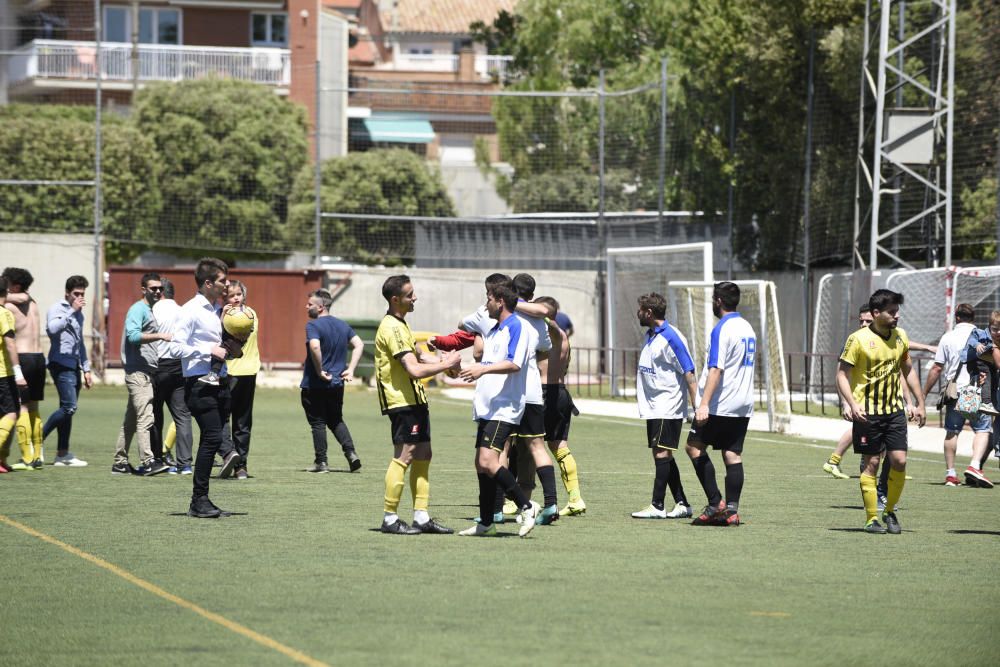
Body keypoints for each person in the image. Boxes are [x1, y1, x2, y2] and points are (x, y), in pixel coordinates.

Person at [375, 275, 461, 535]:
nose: (415, 298)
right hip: (402, 402)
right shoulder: (390, 327)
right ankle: (389, 518)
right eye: (410, 294)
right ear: (395, 299)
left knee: (424, 454)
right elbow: (413, 368)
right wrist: (444, 365)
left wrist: (447, 364)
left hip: (416, 401)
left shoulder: (402, 325)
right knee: (405, 455)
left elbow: (421, 357)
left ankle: (421, 517)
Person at [837, 289, 925, 534]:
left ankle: (890, 511)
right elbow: (841, 375)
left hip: (894, 411)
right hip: (867, 413)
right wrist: (852, 404)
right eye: (892, 312)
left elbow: (908, 370)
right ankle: (871, 518)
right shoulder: (858, 340)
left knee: (899, 461)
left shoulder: (901, 337)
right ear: (876, 314)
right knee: (872, 462)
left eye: (897, 311)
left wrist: (920, 402)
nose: (897, 316)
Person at [457, 283, 539, 537]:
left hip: (505, 407)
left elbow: (515, 363)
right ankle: (486, 523)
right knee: (481, 465)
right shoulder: (494, 330)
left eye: (489, 299)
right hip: (487, 408)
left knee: (487, 461)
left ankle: (526, 506)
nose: (486, 304)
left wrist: (482, 369)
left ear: (501, 301)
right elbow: (487, 362)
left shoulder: (518, 327)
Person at [684, 281, 756, 527]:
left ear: (717, 301)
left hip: (720, 403)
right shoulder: (747, 326)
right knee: (732, 453)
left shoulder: (722, 328)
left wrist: (703, 404)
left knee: (694, 447)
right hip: (743, 402)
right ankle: (733, 511)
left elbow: (716, 368)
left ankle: (716, 503)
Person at [174, 258, 239, 518]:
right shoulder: (190, 310)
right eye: (223, 280)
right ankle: (198, 500)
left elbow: (220, 349)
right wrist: (207, 350)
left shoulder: (217, 310)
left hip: (220, 380)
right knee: (212, 437)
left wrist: (231, 350)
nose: (227, 285)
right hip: (198, 384)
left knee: (213, 439)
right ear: (208, 283)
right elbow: (172, 347)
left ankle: (201, 500)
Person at [631, 293, 698, 520]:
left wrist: (697, 406)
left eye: (640, 310)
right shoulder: (651, 335)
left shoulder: (671, 337)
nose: (638, 313)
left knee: (661, 453)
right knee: (662, 455)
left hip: (666, 406)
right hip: (654, 407)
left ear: (649, 313)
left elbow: (688, 371)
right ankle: (682, 504)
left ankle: (657, 505)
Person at [921, 303, 995, 488]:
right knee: (982, 429)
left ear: (957, 317)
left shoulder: (947, 337)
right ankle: (975, 465)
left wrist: (923, 394)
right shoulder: (982, 335)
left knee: (952, 431)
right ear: (974, 317)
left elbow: (937, 368)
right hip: (974, 389)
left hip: (955, 390)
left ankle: (951, 474)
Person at [111, 273, 172, 476]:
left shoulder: (147, 309)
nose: (157, 291)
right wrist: (160, 335)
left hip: (143, 371)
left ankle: (120, 462)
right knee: (146, 417)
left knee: (130, 421)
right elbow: (133, 336)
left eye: (159, 288)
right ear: (143, 289)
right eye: (153, 288)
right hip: (138, 373)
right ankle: (147, 461)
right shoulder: (138, 309)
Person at [300, 288, 363, 473]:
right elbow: (359, 344)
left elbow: (314, 346)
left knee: (318, 423)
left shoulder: (313, 326)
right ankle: (351, 454)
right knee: (336, 420)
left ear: (320, 307)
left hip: (315, 384)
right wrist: (350, 369)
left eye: (310, 304)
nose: (306, 307)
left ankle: (322, 462)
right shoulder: (343, 325)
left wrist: (319, 371)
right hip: (337, 383)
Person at [535, 296, 586, 517]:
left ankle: (512, 500)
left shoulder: (552, 332)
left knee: (525, 446)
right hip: (560, 393)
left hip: (546, 394)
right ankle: (575, 499)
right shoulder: (560, 335)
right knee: (559, 447)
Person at [42, 275, 92, 466]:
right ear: (67, 293)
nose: (79, 297)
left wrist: (86, 369)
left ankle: (62, 454)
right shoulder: (59, 308)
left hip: (74, 365)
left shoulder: (80, 313)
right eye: (76, 294)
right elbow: (52, 329)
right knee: (69, 407)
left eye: (82, 294)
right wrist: (72, 311)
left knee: (68, 410)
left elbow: (79, 344)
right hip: (59, 363)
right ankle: (37, 439)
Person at [2, 268, 46, 469]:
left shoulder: (9, 306)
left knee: (22, 408)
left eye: (7, 283)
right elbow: (24, 297)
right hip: (38, 358)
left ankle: (27, 457)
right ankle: (38, 456)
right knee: (35, 408)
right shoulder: (34, 302)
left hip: (24, 358)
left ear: (15, 286)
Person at [151, 278, 194, 475]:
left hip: (158, 365)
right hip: (179, 366)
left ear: (160, 292)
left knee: (155, 414)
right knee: (182, 416)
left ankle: (158, 459)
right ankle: (185, 463)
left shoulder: (153, 310)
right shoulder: (182, 310)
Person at [218, 281, 259, 480]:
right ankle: (232, 458)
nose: (235, 298)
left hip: (242, 372)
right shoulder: (225, 314)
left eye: (238, 294)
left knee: (237, 421)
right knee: (228, 418)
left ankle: (238, 463)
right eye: (230, 296)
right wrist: (222, 317)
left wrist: (223, 319)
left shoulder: (248, 315)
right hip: (234, 372)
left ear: (244, 295)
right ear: (224, 299)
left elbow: (235, 339)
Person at [0, 276, 27, 474]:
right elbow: (10, 343)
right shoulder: (5, 314)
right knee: (11, 413)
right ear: (7, 292)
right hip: (3, 373)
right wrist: (18, 373)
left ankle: (2, 460)